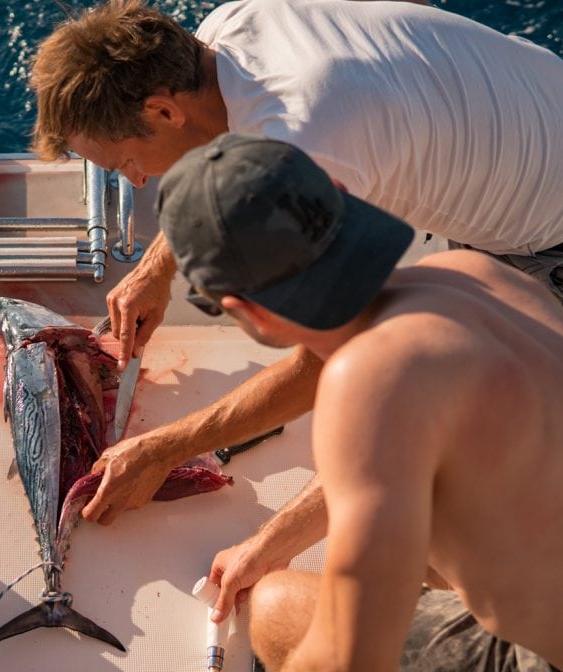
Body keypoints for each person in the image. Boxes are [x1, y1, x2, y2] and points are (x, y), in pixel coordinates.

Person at [28, 0, 563, 526]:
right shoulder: (230, 28)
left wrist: (169, 447)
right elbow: (228, 147)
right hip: (536, 98)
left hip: (546, 238)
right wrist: (156, 267)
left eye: (126, 163)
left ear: (164, 111)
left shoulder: (306, 145)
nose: (136, 181)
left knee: (471, 478)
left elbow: (336, 351)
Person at [141, 133, 563, 672]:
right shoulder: (474, 274)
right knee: (275, 608)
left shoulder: (370, 385)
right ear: (338, 197)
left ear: (245, 310)